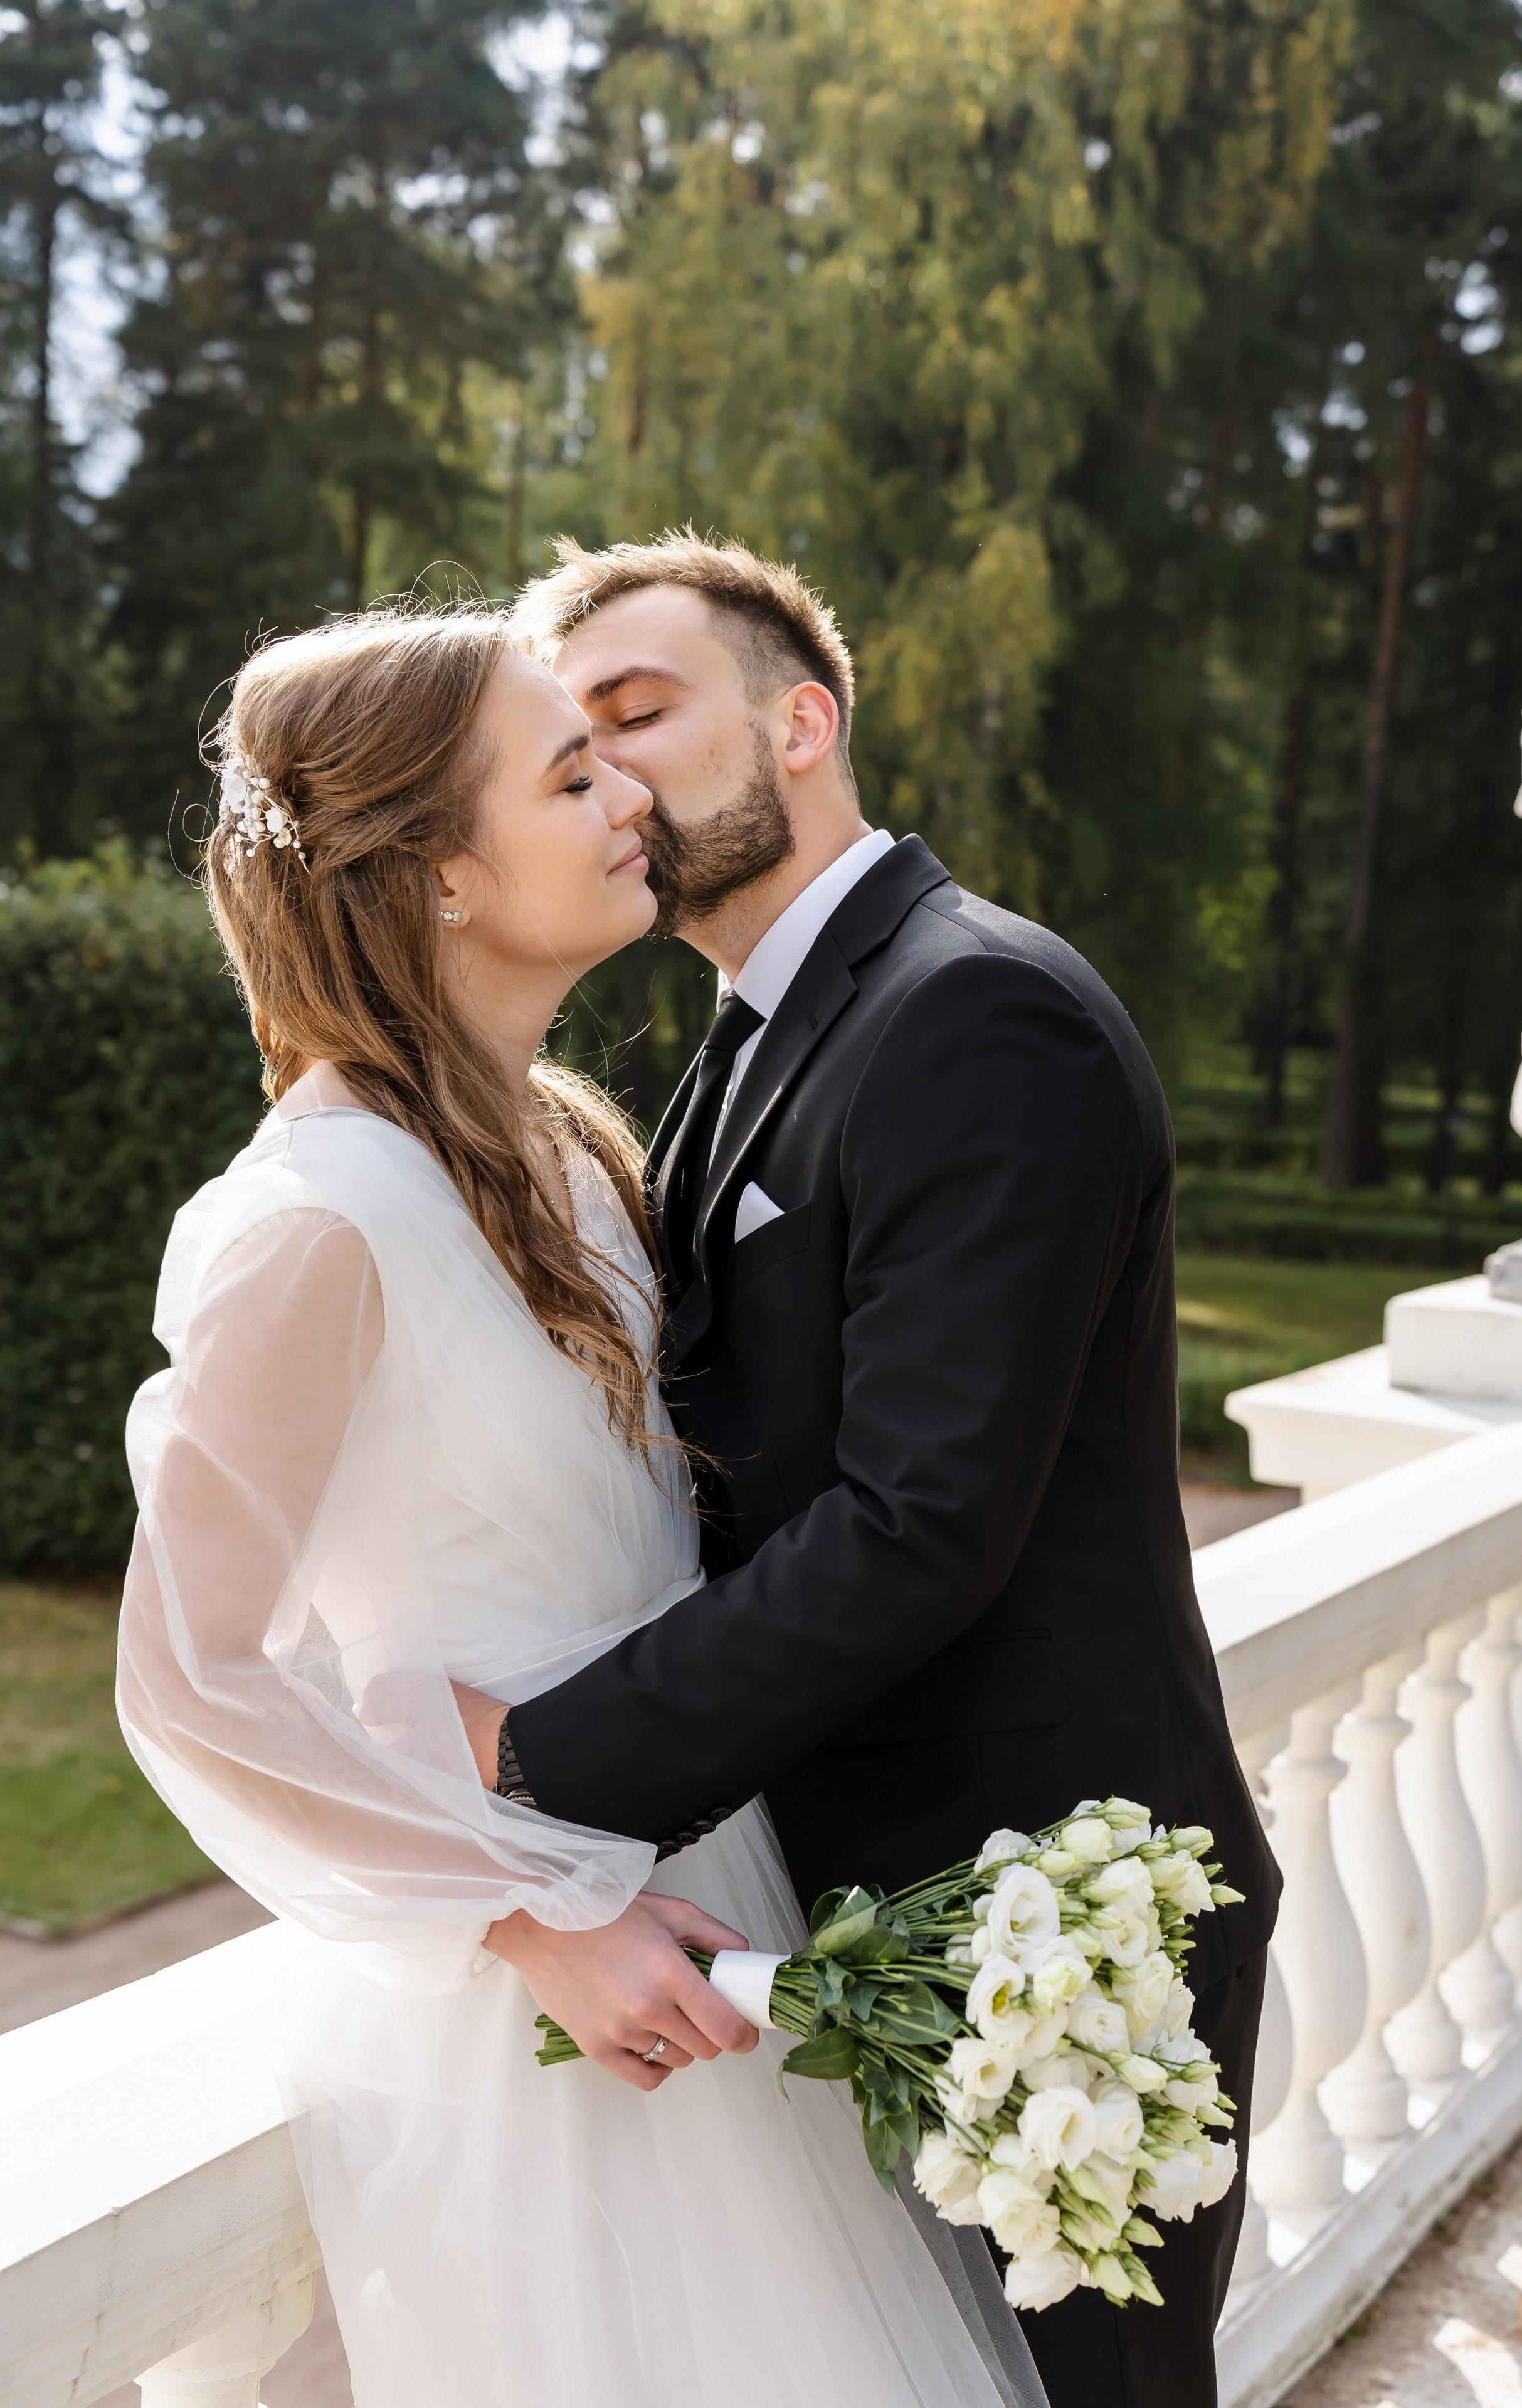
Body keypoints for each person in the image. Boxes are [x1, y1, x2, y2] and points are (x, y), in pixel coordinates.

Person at [115, 607, 1049, 2408]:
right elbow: (187, 1673)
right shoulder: (317, 1221)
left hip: (715, 1897)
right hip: (537, 1994)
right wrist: (529, 1919)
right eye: (568, 772)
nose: (628, 789)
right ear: (442, 875)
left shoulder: (568, 1143)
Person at [463, 532, 1282, 2408]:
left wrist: (528, 1769)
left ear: (804, 720)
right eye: (569, 749)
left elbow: (922, 1526)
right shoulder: (750, 1034)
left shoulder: (975, 1012)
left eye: (640, 715)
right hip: (844, 1904)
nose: (609, 778)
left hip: (1048, 1921)